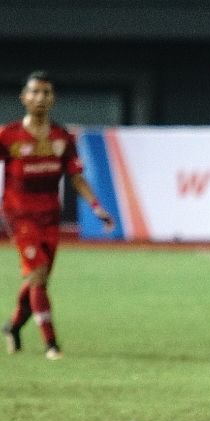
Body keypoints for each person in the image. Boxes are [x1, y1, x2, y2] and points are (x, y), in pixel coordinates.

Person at [1, 71, 114, 360]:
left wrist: (97, 207)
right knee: (37, 274)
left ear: (53, 98)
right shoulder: (8, 134)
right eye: (35, 92)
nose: (40, 98)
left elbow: (76, 177)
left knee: (37, 281)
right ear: (24, 97)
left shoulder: (61, 137)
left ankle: (12, 327)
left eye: (46, 93)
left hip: (50, 216)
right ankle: (52, 344)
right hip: (19, 215)